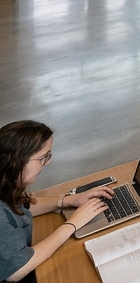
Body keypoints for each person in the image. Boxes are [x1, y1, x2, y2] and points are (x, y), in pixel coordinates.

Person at [0, 120, 113, 283]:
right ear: (17, 160)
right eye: (42, 158)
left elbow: (23, 205)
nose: (48, 162)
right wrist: (73, 224)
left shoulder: (6, 185)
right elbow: (18, 269)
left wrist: (67, 201)